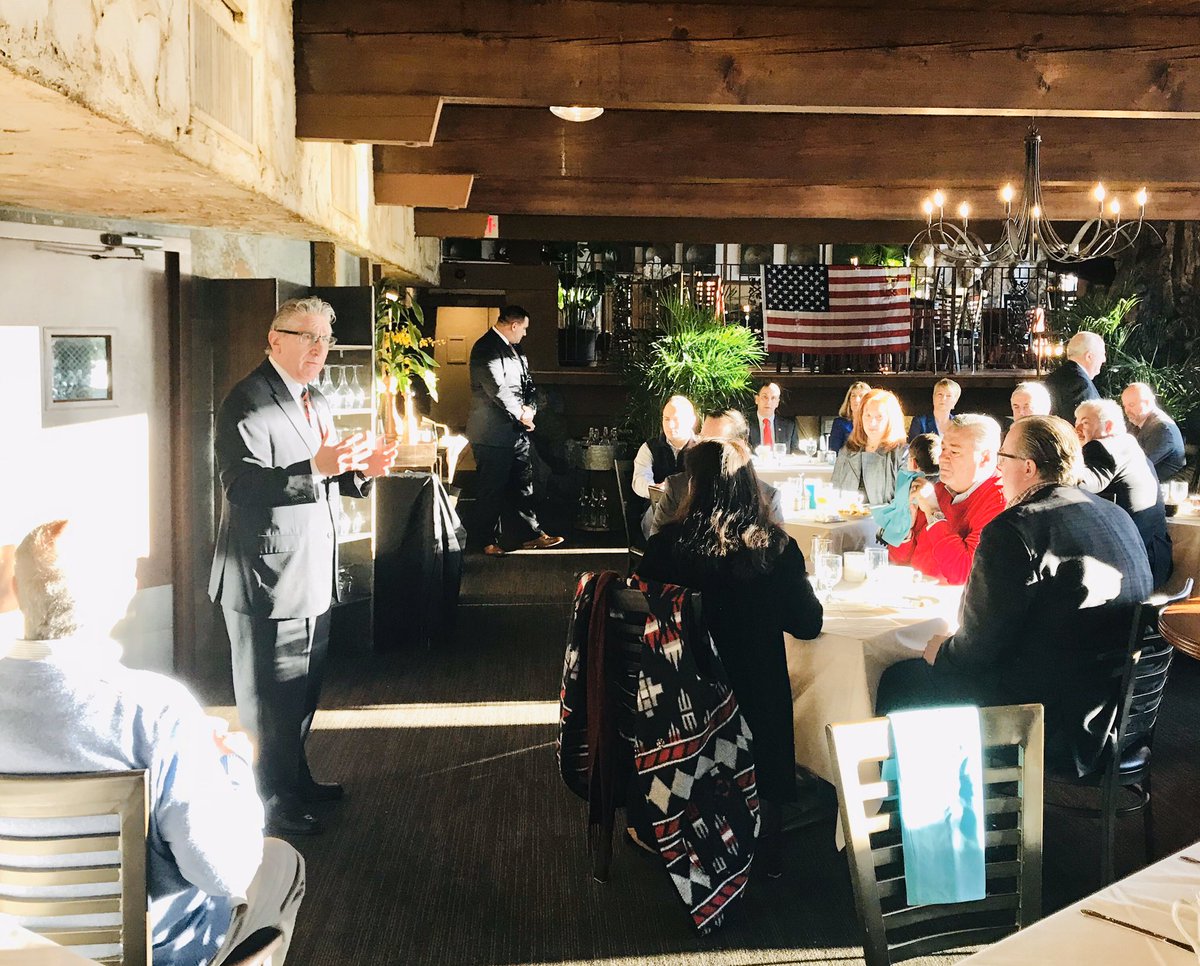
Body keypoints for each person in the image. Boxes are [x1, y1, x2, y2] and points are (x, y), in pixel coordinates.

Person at [1, 521, 304, 966]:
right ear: (125, 594)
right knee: (282, 863)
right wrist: (234, 769)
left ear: (15, 588)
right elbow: (223, 872)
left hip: (14, 952)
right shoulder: (156, 712)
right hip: (153, 952)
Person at [210, 297, 396, 835]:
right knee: (269, 700)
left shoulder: (315, 397)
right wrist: (317, 466)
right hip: (265, 577)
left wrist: (362, 471)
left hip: (313, 566)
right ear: (274, 340)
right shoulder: (247, 401)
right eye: (307, 337)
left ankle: (295, 779)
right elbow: (241, 487)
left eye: (325, 339)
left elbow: (327, 475)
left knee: (304, 688)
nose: (319, 349)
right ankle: (270, 801)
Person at [877, 416, 1153, 776]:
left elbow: (978, 650)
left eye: (1002, 458)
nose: (998, 468)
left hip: (1051, 722)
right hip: (1123, 713)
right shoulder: (1115, 514)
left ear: (1028, 467)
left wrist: (942, 651)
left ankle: (909, 818)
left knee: (901, 681)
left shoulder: (1014, 529)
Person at [635, 439, 823, 874]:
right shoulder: (773, 549)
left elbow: (642, 609)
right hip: (754, 707)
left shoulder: (666, 547)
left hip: (683, 706)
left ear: (694, 485)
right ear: (750, 484)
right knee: (768, 683)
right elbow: (808, 624)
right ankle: (766, 844)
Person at [465, 305, 564, 556]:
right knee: (491, 488)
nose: (525, 335)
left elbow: (528, 383)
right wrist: (521, 413)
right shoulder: (484, 348)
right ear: (514, 325)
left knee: (523, 485)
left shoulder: (516, 349)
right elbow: (497, 389)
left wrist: (530, 409)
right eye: (524, 329)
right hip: (491, 433)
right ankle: (485, 540)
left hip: (517, 431)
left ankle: (530, 534)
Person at [888, 414, 1006, 584]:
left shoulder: (999, 502)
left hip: (951, 605)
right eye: (943, 449)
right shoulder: (940, 489)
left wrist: (934, 512)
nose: (942, 458)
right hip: (914, 595)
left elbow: (963, 574)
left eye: (954, 452)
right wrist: (905, 527)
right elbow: (898, 559)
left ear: (985, 458)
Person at [1075, 398, 1173, 588]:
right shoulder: (1127, 444)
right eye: (1076, 421)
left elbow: (1083, 483)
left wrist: (1056, 462)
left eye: (1085, 422)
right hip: (1152, 554)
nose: (1077, 428)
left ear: (1109, 426)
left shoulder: (1105, 446)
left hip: (1128, 566)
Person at [648, 410, 784, 535]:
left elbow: (780, 553)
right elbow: (656, 546)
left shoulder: (766, 497)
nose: (704, 450)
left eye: (715, 445)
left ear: (740, 446)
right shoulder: (677, 487)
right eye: (702, 441)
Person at [631, 395, 696, 538]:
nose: (670, 425)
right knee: (657, 513)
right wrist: (656, 490)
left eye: (676, 420)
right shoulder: (650, 447)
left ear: (692, 421)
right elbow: (639, 481)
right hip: (656, 509)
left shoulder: (702, 448)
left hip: (692, 511)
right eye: (666, 419)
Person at [831, 388, 907, 505]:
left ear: (891, 420)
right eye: (868, 416)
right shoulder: (848, 450)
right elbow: (834, 493)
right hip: (847, 521)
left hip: (885, 522)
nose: (872, 423)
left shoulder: (902, 454)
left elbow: (904, 504)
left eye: (879, 417)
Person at [872, 433, 940, 549]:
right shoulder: (947, 486)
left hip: (911, 543)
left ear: (912, 462)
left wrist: (885, 532)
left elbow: (899, 511)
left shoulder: (911, 485)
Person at [1122, 382, 1186, 481]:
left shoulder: (1162, 428)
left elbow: (1137, 465)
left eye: (1131, 405)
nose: (1127, 411)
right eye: (1125, 406)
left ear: (1147, 402)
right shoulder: (1136, 422)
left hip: (1164, 491)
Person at [1043, 331, 1104, 420]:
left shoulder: (1055, 377)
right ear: (1089, 357)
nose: (1104, 360)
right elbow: (1084, 424)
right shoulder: (1080, 384)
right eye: (1102, 354)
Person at [747, 382, 799, 453]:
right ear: (757, 399)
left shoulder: (789, 426)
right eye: (765, 397)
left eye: (773, 398)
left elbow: (795, 453)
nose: (768, 402)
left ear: (777, 402)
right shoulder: (744, 424)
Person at [828, 381, 870, 453]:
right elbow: (834, 451)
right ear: (849, 400)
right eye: (853, 396)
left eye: (861, 396)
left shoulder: (872, 423)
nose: (856, 400)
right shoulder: (840, 423)